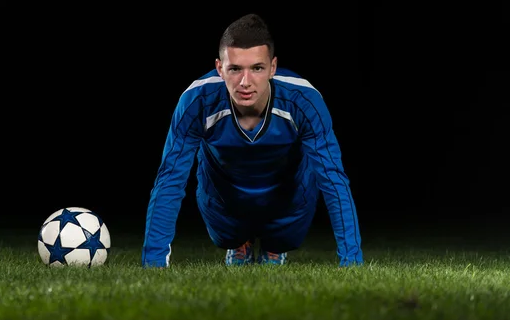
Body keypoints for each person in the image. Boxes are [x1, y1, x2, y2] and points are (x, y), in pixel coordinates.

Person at [142, 13, 363, 268]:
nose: (245, 82)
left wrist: (352, 262)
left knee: (284, 237)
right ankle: (238, 241)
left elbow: (333, 180)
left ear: (273, 67)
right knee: (225, 234)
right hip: (224, 199)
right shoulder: (197, 101)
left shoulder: (303, 101)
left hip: (288, 199)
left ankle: (274, 245)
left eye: (257, 68)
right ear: (219, 68)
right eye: (235, 69)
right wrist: (153, 262)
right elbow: (170, 179)